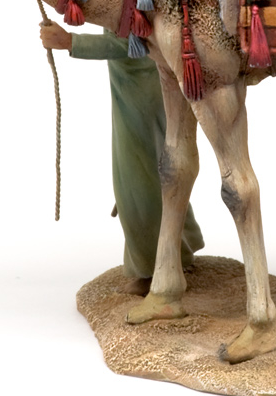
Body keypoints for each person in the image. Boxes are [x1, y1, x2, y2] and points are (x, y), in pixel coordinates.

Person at [39, 24, 204, 291]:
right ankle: (179, 250)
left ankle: (152, 268)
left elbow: (129, 43)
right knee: (155, 175)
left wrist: (71, 41)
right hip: (143, 88)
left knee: (135, 185)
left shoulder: (137, 0)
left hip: (140, 95)